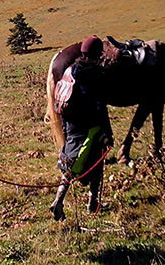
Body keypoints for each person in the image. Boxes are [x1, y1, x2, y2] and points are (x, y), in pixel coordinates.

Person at [54, 36, 112, 219]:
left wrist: (65, 129)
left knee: (69, 164)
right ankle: (91, 202)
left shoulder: (70, 70)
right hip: (89, 127)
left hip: (70, 126)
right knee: (97, 163)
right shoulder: (94, 73)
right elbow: (99, 105)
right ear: (98, 54)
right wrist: (107, 132)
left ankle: (60, 200)